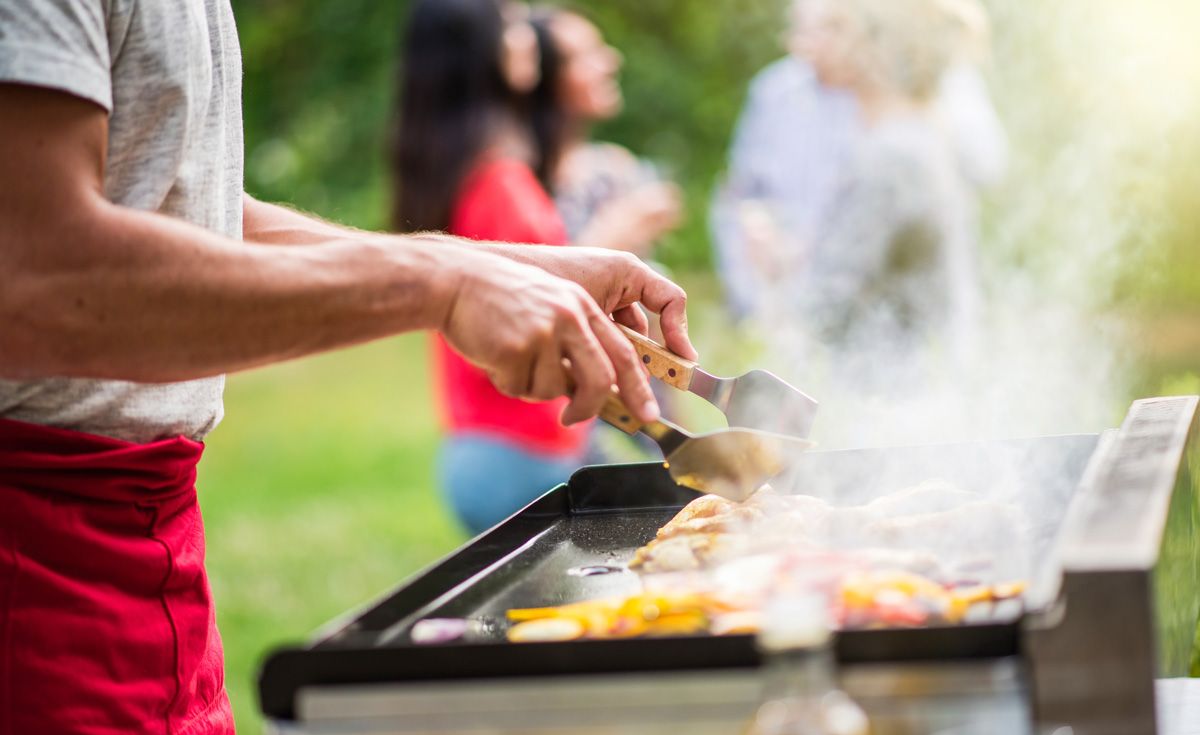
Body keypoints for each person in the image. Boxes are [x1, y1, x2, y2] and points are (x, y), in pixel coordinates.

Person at [0, 0, 696, 735]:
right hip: (34, 574)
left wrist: (501, 268)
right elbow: (29, 273)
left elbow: (201, 216)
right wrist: (444, 284)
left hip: (154, 566)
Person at [394, 0, 641, 534]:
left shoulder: (462, 170)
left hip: (484, 447)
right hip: (523, 456)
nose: (528, 35)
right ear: (475, 50)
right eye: (510, 24)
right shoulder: (498, 182)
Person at [712, 0, 1005, 321]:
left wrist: (776, 275)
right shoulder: (901, 141)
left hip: (896, 367)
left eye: (835, 28)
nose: (805, 44)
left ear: (872, 47)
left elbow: (827, 309)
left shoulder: (892, 156)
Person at [529, 7, 683, 257]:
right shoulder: (519, 179)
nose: (611, 61)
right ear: (543, 76)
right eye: (585, 56)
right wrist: (623, 224)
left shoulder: (610, 167)